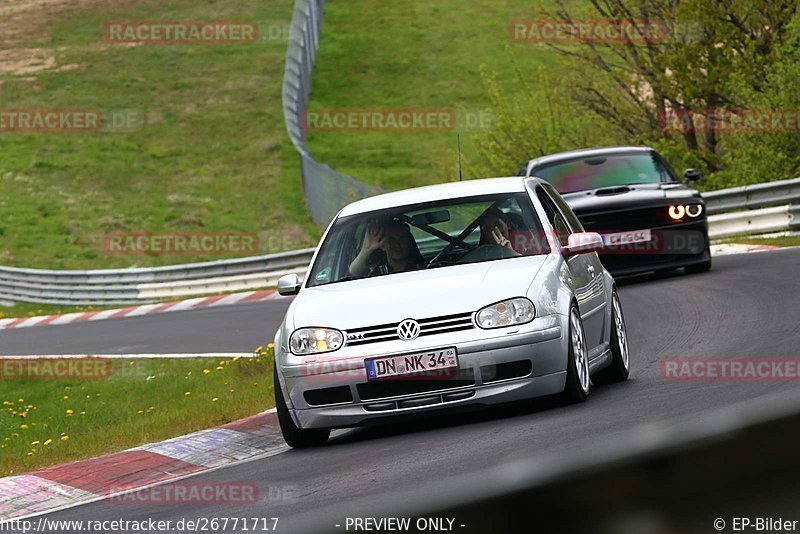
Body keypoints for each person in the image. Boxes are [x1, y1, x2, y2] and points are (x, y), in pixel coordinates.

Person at [348, 219, 424, 277]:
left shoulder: (423, 269)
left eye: (402, 239)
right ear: (382, 246)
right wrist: (366, 250)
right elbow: (352, 274)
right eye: (391, 240)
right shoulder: (375, 272)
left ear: (409, 243)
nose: (397, 245)